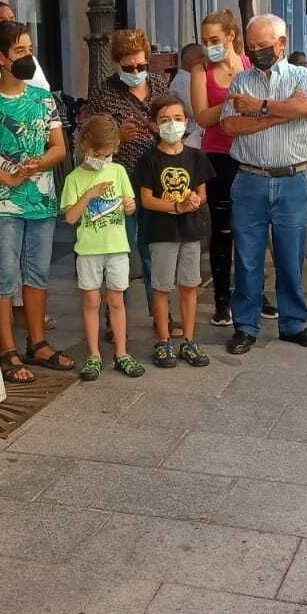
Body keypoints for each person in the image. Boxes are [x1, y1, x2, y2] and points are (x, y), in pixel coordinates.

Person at [221, 14, 307, 354]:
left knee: (291, 256)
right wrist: (281, 114)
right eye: (250, 46)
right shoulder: (240, 81)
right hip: (250, 177)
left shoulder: (302, 75)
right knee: (248, 257)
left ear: (281, 44)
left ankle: (293, 323)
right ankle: (246, 326)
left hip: (291, 178)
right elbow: (230, 126)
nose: (255, 52)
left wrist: (260, 107)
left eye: (262, 46)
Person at [0, 21, 71, 381]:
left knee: (37, 272)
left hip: (42, 199)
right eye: (19, 51)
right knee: (6, 275)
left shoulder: (43, 99)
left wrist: (39, 163)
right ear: (0, 57)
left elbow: (59, 147)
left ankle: (37, 342)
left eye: (29, 49)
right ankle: (7, 348)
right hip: (2, 201)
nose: (28, 56)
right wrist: (8, 177)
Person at [81, 28, 170, 311]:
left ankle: (161, 316)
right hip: (118, 183)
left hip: (155, 180)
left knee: (153, 251)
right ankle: (116, 318)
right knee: (119, 251)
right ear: (118, 64)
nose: (136, 71)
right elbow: (89, 140)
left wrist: (161, 129)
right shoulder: (104, 92)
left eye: (141, 66)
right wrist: (117, 137)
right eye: (129, 67)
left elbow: (177, 124)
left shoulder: (158, 86)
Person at [61, 114, 141, 380]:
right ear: (86, 147)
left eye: (109, 154)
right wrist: (89, 195)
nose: (104, 159)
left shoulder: (117, 171)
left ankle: (121, 352)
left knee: (117, 299)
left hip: (117, 246)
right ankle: (94, 354)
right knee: (91, 300)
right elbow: (70, 217)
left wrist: (130, 206)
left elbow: (129, 204)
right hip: (88, 249)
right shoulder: (74, 178)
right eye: (99, 153)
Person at [136, 94, 213, 368]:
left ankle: (189, 339)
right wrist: (176, 206)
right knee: (161, 286)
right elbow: (146, 199)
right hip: (161, 232)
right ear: (154, 125)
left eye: (178, 119)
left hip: (191, 231)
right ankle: (164, 340)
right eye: (165, 120)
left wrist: (193, 200)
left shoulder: (196, 156)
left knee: (190, 285)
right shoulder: (149, 160)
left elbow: (202, 193)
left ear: (187, 121)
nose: (172, 125)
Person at [192, 10, 246, 326]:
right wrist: (232, 104)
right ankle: (222, 298)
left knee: (250, 228)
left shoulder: (249, 65)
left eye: (214, 39)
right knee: (222, 228)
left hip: (250, 153)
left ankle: (252, 292)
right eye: (205, 40)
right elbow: (201, 116)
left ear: (230, 36)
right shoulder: (202, 70)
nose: (209, 46)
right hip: (218, 153)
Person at [0, 0, 52, 99]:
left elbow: (44, 92)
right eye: (1, 22)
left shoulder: (29, 59)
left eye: (12, 20)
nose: (9, 25)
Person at [168, 42, 206, 151]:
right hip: (189, 137)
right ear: (190, 59)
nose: (205, 60)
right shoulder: (185, 82)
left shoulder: (186, 79)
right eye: (202, 56)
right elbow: (195, 111)